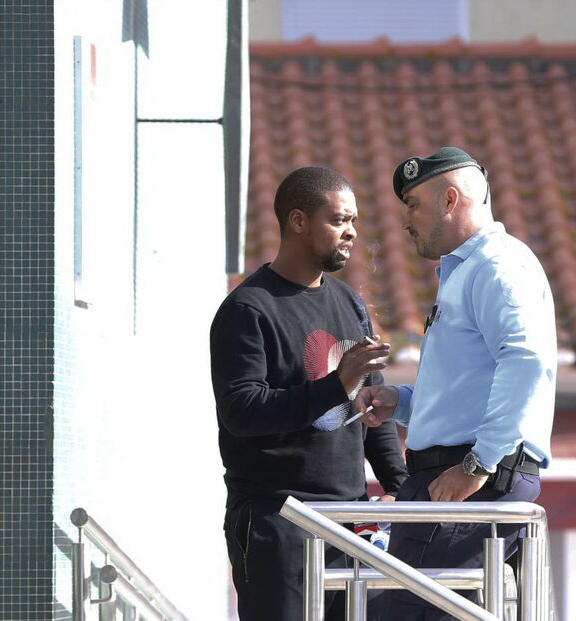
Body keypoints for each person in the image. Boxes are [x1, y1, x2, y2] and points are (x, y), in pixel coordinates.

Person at [355, 147, 556, 620]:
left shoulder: (495, 265)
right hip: (457, 479)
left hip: (469, 481)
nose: (406, 222)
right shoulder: (471, 268)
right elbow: (470, 388)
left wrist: (477, 464)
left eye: (412, 205)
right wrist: (401, 403)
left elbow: (526, 361)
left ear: (449, 200)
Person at [210, 166, 408, 620]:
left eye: (354, 221)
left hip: (351, 522)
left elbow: (370, 409)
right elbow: (242, 410)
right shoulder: (248, 308)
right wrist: (336, 385)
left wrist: (400, 490)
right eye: (339, 220)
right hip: (277, 520)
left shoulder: (349, 302)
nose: (352, 232)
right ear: (298, 221)